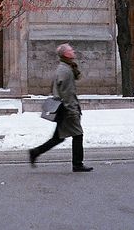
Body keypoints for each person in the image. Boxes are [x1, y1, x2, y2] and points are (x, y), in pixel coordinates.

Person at [29, 43, 93, 172]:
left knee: (58, 138)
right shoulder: (65, 71)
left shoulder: (65, 68)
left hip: (64, 108)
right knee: (78, 134)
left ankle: (35, 152)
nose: (73, 50)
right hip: (67, 109)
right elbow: (67, 93)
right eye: (70, 50)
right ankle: (77, 164)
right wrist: (73, 110)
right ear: (66, 54)